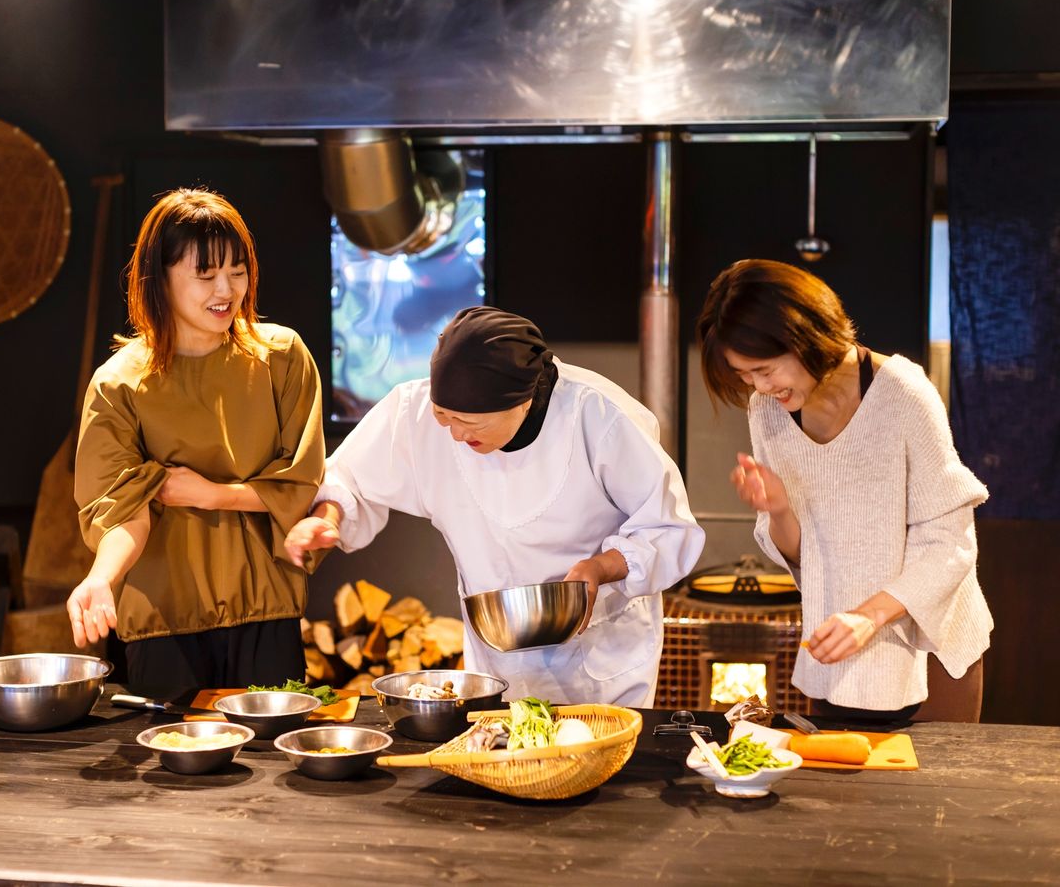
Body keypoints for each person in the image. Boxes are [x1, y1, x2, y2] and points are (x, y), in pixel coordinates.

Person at [284, 306, 704, 707]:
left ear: (522, 402)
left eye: (471, 422)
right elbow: (351, 478)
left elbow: (666, 529)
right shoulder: (413, 413)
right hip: (494, 651)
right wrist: (327, 518)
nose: (454, 433)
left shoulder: (598, 417)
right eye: (444, 416)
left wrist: (600, 568)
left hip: (600, 654)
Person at [696, 259, 993, 722]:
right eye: (745, 376)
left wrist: (869, 617)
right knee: (840, 793)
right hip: (839, 650)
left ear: (804, 336)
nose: (760, 387)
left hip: (927, 648)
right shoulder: (768, 412)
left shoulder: (901, 392)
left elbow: (951, 544)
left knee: (932, 792)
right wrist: (777, 510)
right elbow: (802, 555)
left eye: (765, 369)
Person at [65, 188, 325, 699]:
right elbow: (122, 512)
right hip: (161, 620)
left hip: (265, 610)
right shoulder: (120, 383)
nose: (225, 289)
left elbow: (298, 483)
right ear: (158, 279)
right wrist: (100, 577)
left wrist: (211, 494)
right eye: (205, 276)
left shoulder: (282, 358)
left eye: (237, 270)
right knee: (167, 768)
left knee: (271, 770)